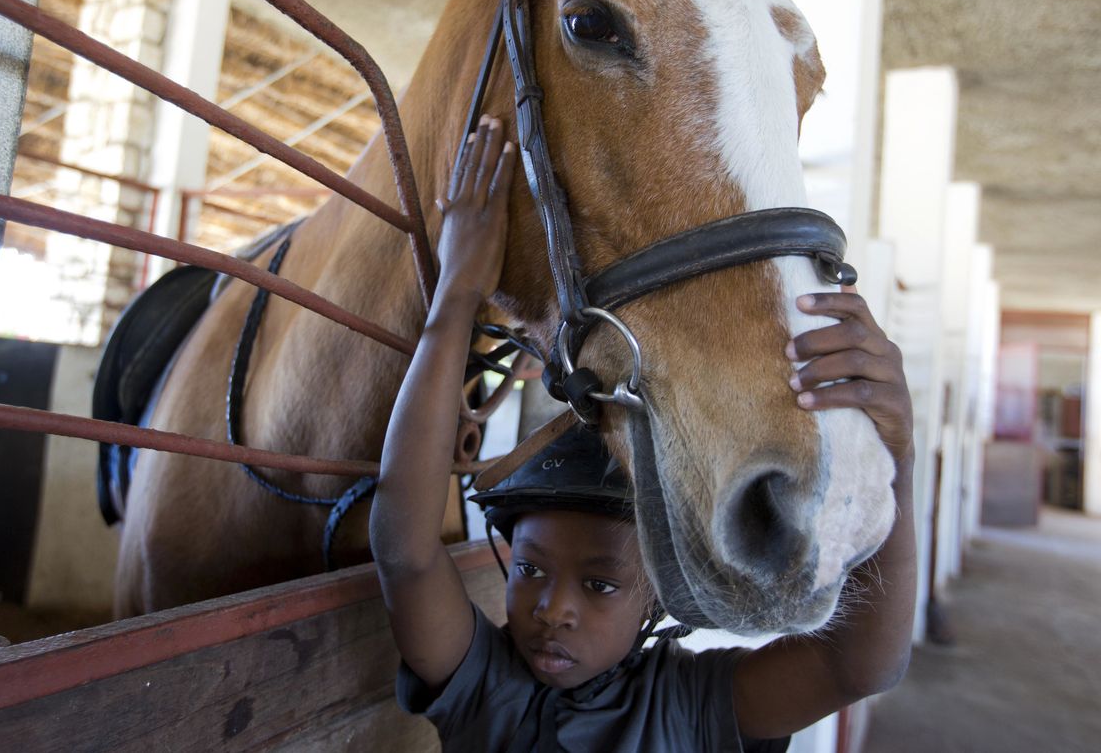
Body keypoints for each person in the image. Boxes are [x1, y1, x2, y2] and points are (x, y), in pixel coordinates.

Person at [369, 117, 917, 751]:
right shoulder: (487, 686)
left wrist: (892, 455)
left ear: (655, 602)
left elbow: (861, 667)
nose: (553, 610)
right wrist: (458, 295)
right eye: (528, 570)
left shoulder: (693, 707)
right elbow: (406, 553)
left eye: (601, 584)